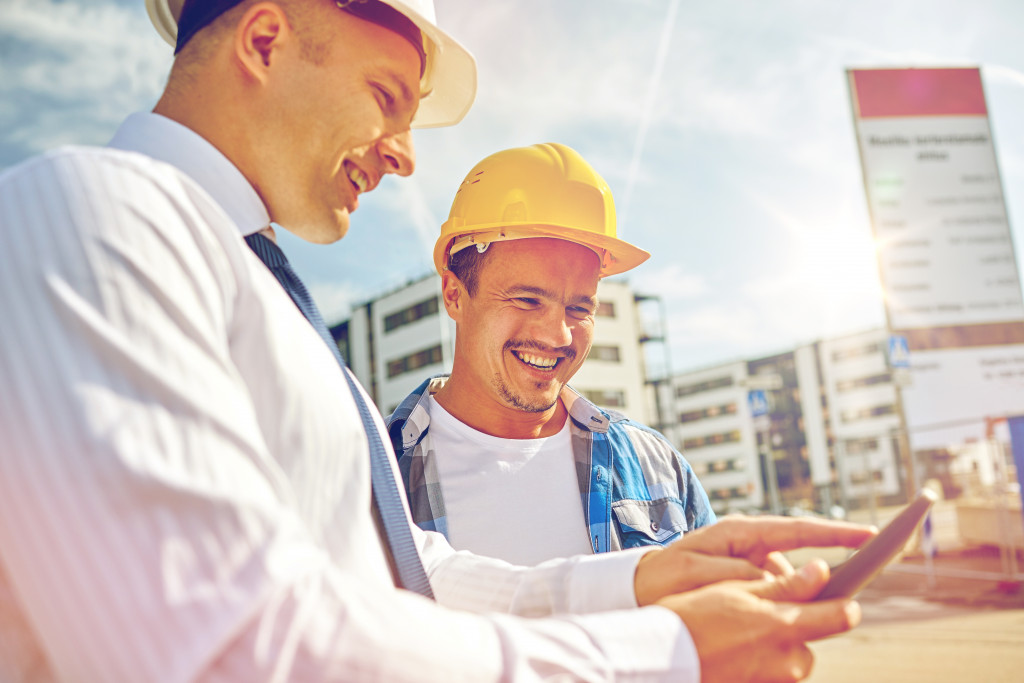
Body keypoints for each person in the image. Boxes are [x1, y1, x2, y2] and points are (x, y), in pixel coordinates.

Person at [0, 1, 876, 681]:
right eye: (387, 98)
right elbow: (218, 645)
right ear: (263, 41)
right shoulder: (89, 214)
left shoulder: (258, 296)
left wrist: (646, 582)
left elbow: (404, 574)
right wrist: (665, 655)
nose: (407, 156)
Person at [387, 143, 715, 566]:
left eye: (580, 308)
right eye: (526, 300)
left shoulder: (656, 467)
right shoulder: (372, 474)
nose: (558, 336)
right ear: (454, 295)